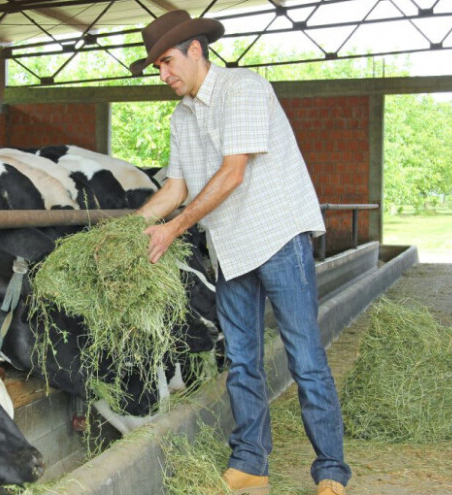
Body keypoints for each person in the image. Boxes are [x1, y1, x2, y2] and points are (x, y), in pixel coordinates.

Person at [131, 10, 351, 495]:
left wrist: (173, 229)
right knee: (243, 362)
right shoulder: (181, 117)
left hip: (277, 238)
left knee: (304, 356)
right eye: (157, 68)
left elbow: (233, 173)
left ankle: (331, 470)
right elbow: (175, 187)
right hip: (230, 249)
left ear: (195, 49)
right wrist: (130, 230)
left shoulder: (244, 89)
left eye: (167, 61)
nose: (163, 74)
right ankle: (250, 463)